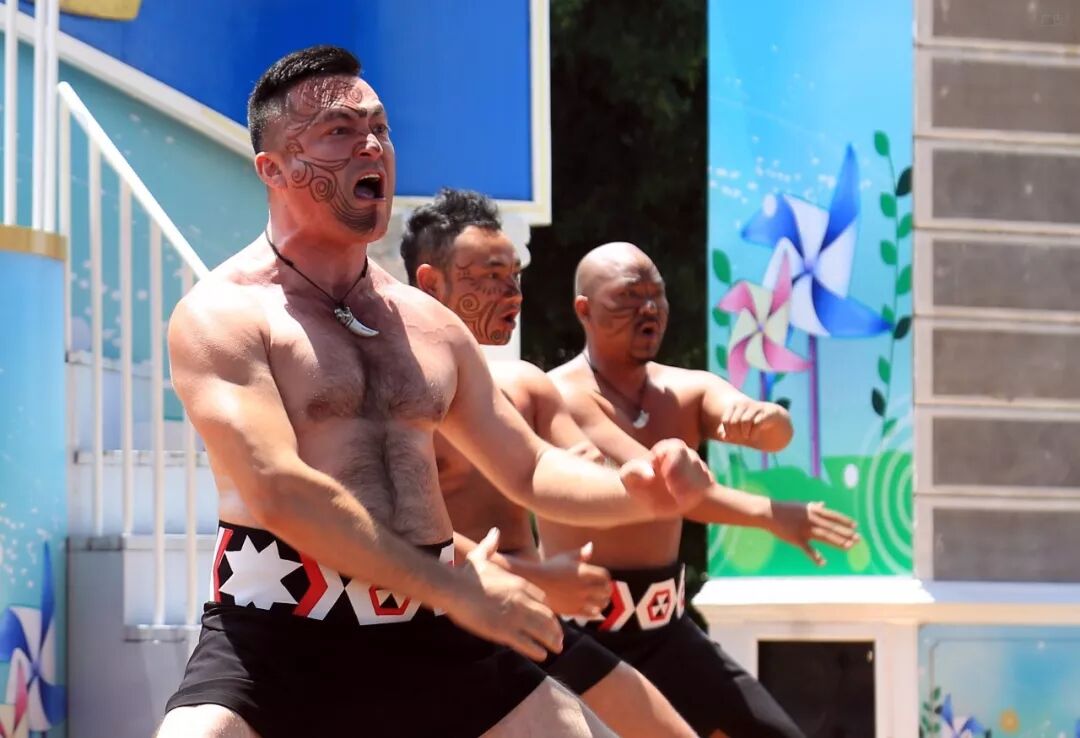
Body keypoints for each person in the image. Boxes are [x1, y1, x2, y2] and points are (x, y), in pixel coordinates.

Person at [156, 47, 718, 738]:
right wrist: (458, 587)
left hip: (429, 629)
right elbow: (280, 490)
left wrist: (640, 489)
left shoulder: (431, 326)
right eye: (339, 130)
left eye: (379, 128)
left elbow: (530, 468)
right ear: (272, 168)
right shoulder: (223, 314)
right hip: (277, 633)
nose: (372, 145)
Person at [401, 188, 697, 737]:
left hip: (535, 622)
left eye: (515, 275)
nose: (511, 292)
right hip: (443, 628)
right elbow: (390, 533)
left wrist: (641, 485)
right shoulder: (400, 392)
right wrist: (537, 578)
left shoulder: (524, 385)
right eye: (491, 276)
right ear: (431, 283)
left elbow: (562, 470)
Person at [546, 241, 861, 738]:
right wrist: (768, 513)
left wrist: (766, 419)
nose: (649, 309)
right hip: (578, 636)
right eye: (629, 297)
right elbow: (665, 490)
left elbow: (768, 429)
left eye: (657, 295)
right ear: (584, 309)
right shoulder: (552, 397)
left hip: (666, 630)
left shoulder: (688, 390)